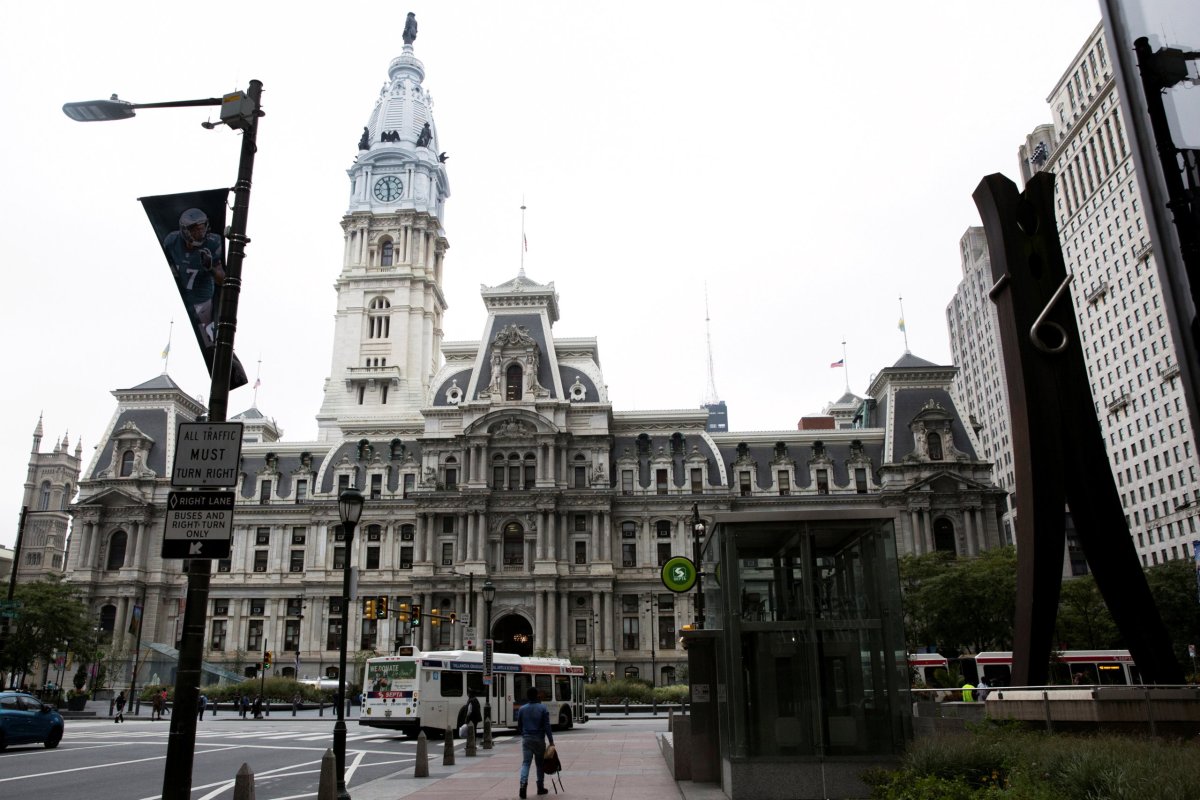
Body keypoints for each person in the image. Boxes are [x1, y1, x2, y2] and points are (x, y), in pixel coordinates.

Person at [162, 208, 225, 350]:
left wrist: (211, 268)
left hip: (202, 305)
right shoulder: (172, 241)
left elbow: (223, 280)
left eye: (202, 228)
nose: (199, 233)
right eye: (195, 230)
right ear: (185, 231)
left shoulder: (213, 243)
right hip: (180, 300)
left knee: (209, 344)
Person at [515, 686, 554, 798]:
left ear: (527, 696)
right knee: (539, 765)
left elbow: (519, 726)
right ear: (537, 695)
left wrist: (524, 734)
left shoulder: (522, 709)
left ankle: (523, 786)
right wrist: (551, 741)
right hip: (539, 739)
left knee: (526, 763)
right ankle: (540, 787)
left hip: (527, 739)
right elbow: (547, 726)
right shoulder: (543, 708)